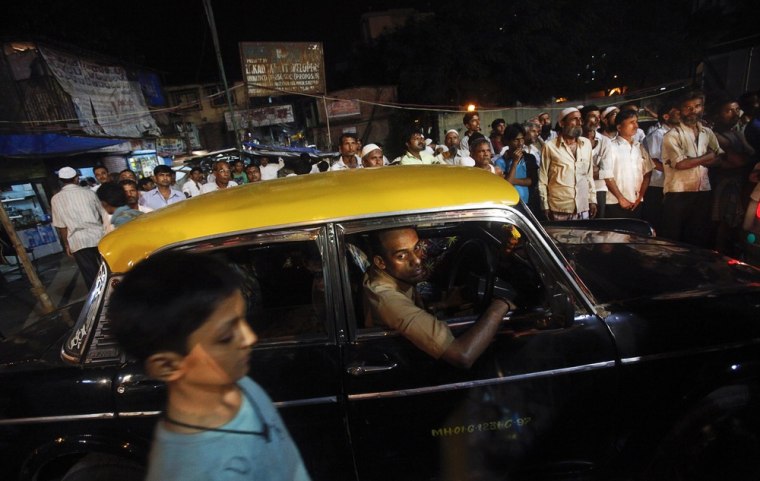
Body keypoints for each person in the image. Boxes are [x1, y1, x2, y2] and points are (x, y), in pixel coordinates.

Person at [107, 251, 311, 481]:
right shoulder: (190, 471)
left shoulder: (238, 383)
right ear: (167, 365)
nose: (250, 338)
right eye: (225, 337)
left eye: (243, 319)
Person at [363, 227, 514, 369]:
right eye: (401, 256)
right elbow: (462, 355)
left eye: (416, 248)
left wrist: (442, 304)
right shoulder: (387, 298)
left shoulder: (388, 275)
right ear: (380, 262)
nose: (416, 260)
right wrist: (501, 305)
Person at [660, 90, 724, 247]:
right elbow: (680, 164)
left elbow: (720, 157)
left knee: (697, 239)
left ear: (702, 108)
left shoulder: (707, 132)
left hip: (702, 191)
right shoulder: (672, 135)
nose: (692, 111)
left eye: (696, 106)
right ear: (680, 110)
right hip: (678, 194)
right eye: (687, 107)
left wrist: (696, 160)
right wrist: (707, 157)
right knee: (674, 241)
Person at [538, 107, 597, 220]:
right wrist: (545, 206)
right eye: (574, 119)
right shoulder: (550, 147)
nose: (579, 122)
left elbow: (588, 175)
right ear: (562, 123)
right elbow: (543, 179)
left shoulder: (586, 144)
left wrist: (592, 200)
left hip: (583, 207)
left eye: (580, 119)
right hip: (560, 208)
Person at [51, 166, 105, 289]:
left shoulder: (56, 199)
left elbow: (62, 226)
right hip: (99, 236)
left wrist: (66, 244)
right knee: (108, 269)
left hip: (77, 241)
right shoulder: (89, 193)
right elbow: (102, 214)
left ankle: (99, 302)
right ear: (76, 178)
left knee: (91, 276)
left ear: (60, 180)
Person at [602, 109, 654, 219]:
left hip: (636, 203)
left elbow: (648, 173)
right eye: (631, 122)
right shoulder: (610, 147)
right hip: (614, 202)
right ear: (619, 127)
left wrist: (640, 197)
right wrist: (621, 198)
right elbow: (607, 176)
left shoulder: (639, 147)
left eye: (636, 122)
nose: (636, 126)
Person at [642, 100, 681, 231]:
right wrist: (677, 171)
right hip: (656, 185)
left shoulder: (677, 134)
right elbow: (653, 161)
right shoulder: (657, 135)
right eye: (677, 112)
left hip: (670, 185)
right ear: (666, 116)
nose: (681, 115)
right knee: (655, 222)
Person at [580, 104, 613, 219]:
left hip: (599, 189)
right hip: (578, 190)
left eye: (598, 116)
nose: (597, 119)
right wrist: (594, 170)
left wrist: (583, 172)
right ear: (582, 119)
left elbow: (606, 172)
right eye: (593, 116)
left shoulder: (605, 142)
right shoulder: (575, 140)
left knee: (598, 228)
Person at [501, 123, 540, 215]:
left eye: (522, 139)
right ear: (507, 141)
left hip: (528, 204)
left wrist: (511, 180)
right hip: (510, 205)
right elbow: (506, 185)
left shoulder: (530, 158)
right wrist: (514, 162)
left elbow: (533, 180)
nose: (520, 143)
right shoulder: (500, 161)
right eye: (516, 140)